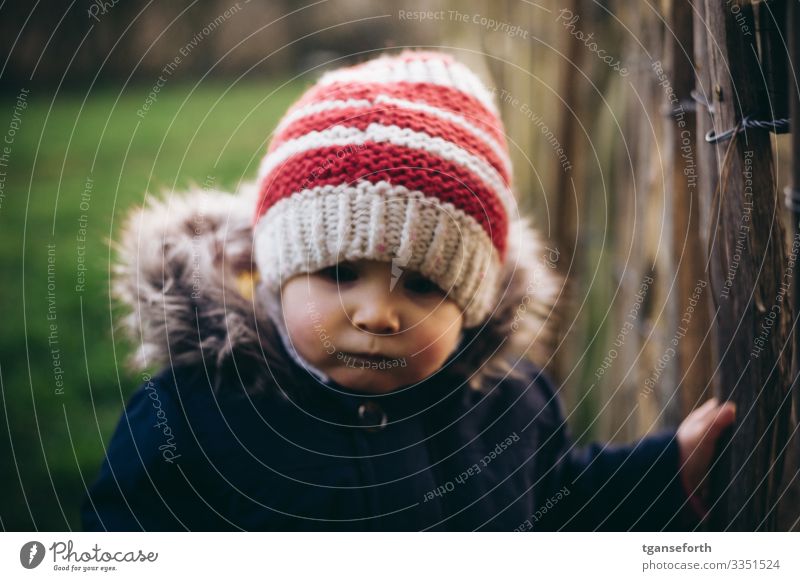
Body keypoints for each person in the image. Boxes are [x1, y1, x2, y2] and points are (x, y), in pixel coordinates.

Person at [82, 50, 735, 531]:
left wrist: (665, 471)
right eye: (339, 273)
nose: (377, 313)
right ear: (275, 271)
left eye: (422, 286)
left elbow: (555, 503)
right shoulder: (197, 416)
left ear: (471, 300)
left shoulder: (508, 404)